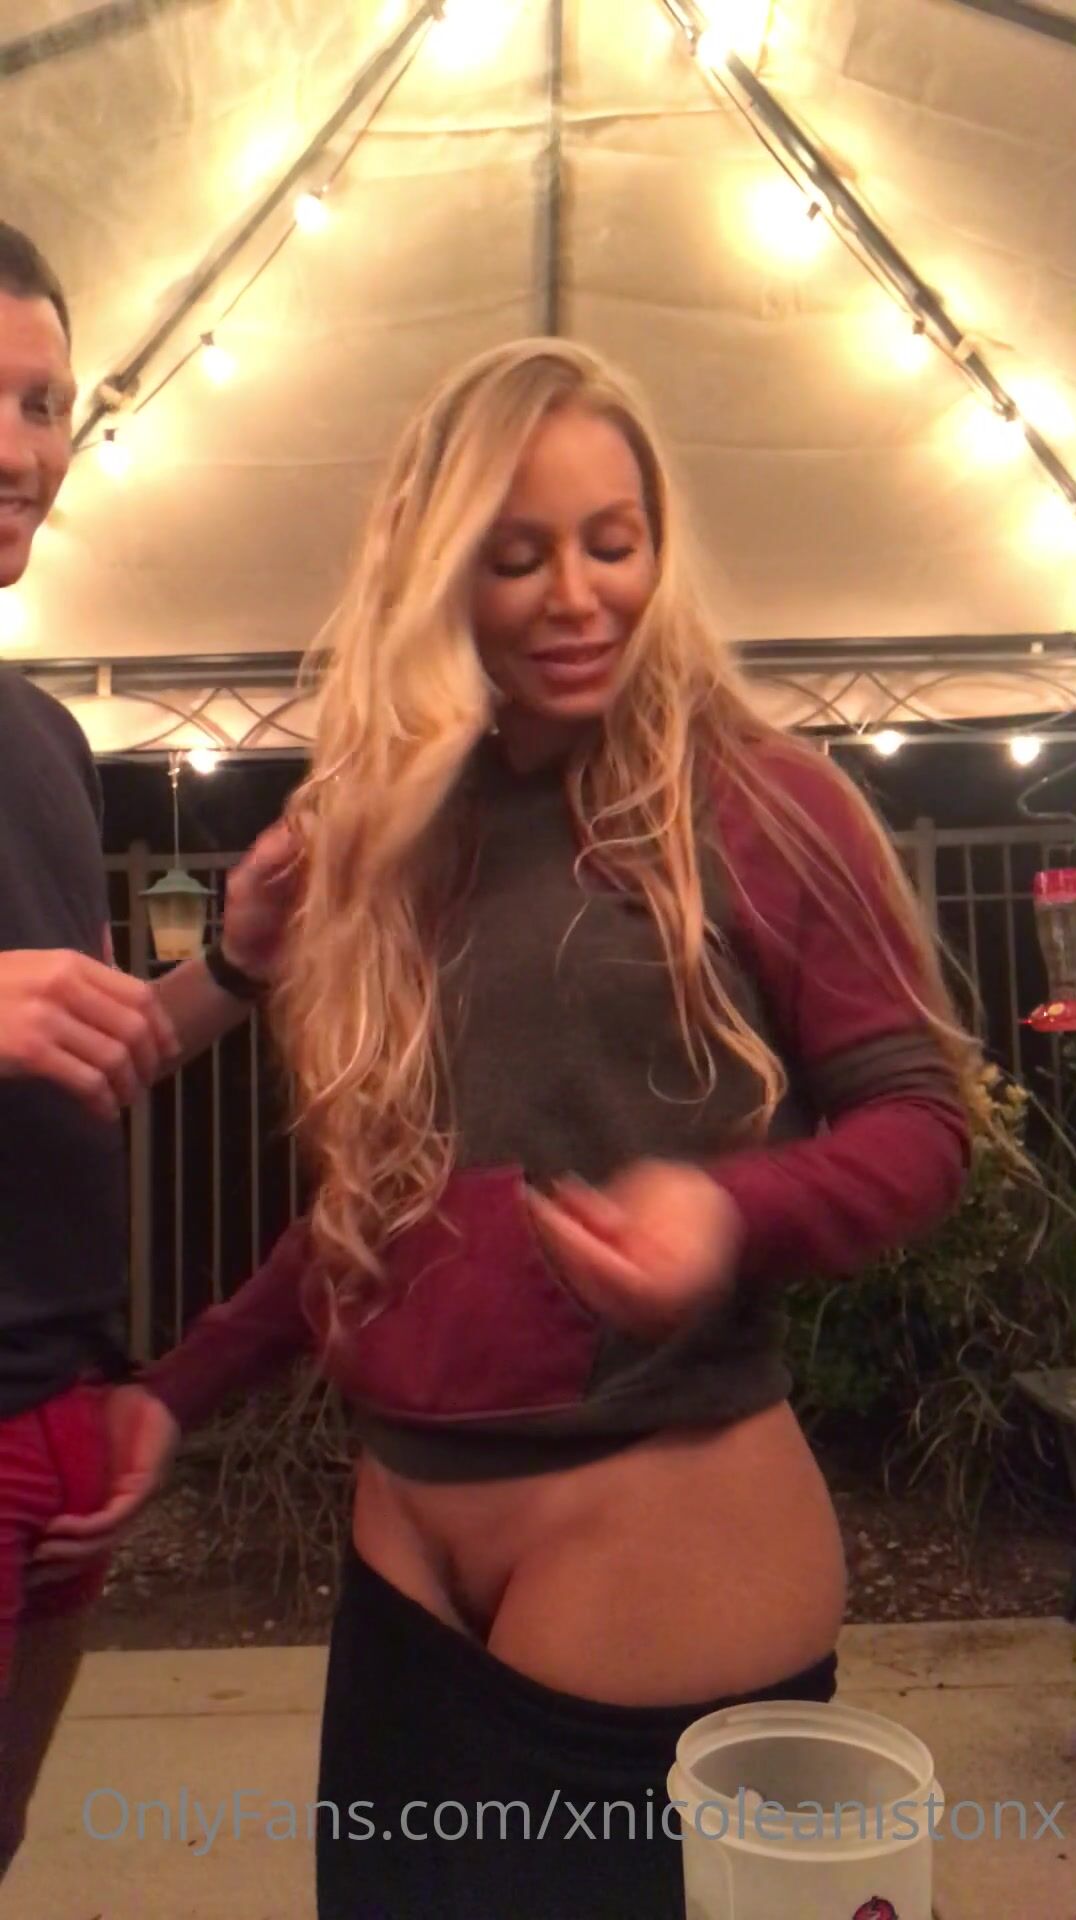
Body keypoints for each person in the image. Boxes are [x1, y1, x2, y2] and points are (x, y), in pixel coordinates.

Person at [53, 338, 975, 1917]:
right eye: (517, 554)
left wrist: (729, 1213)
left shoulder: (763, 803)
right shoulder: (395, 840)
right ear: (439, 575)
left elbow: (926, 1122)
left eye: (614, 543)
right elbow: (382, 1214)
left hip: (659, 1556)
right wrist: (179, 1391)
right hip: (403, 1574)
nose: (577, 596)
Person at [0, 222, 296, 1879]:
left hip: (70, 1408)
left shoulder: (47, 736)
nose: (20, 450)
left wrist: (238, 966)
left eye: (44, 404)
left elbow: (95, 1055)